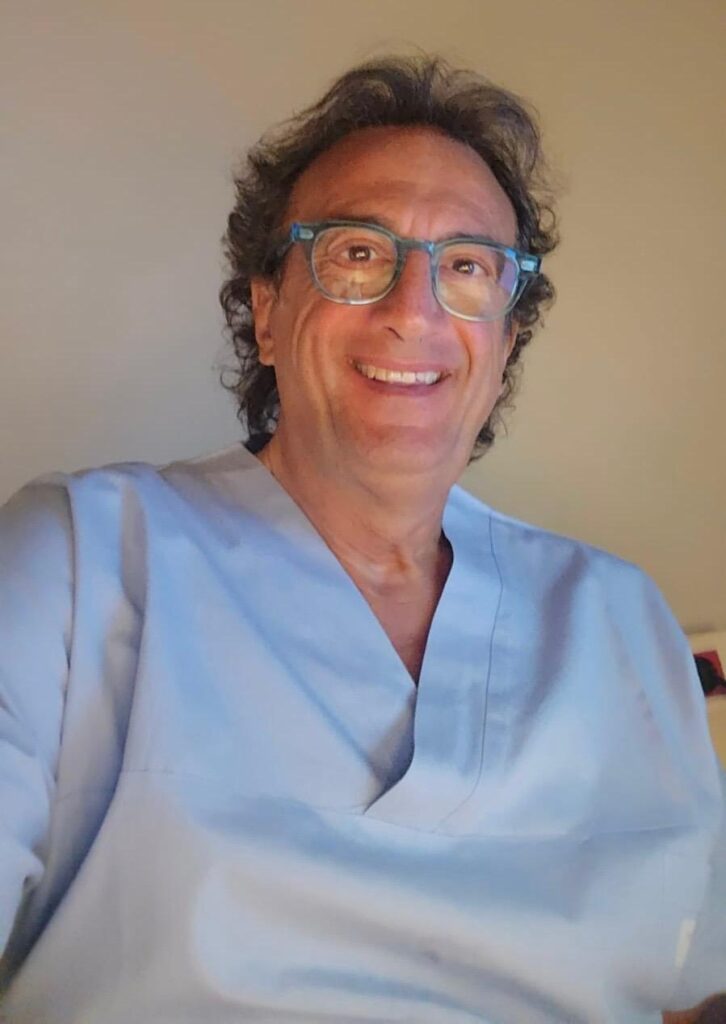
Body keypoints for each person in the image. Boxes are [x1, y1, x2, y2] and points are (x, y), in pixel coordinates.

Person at [0, 55, 723, 1023]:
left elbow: (687, 988)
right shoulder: (77, 561)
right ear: (266, 313)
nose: (413, 309)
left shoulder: (619, 618)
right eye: (356, 252)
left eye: (467, 266)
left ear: (505, 343)